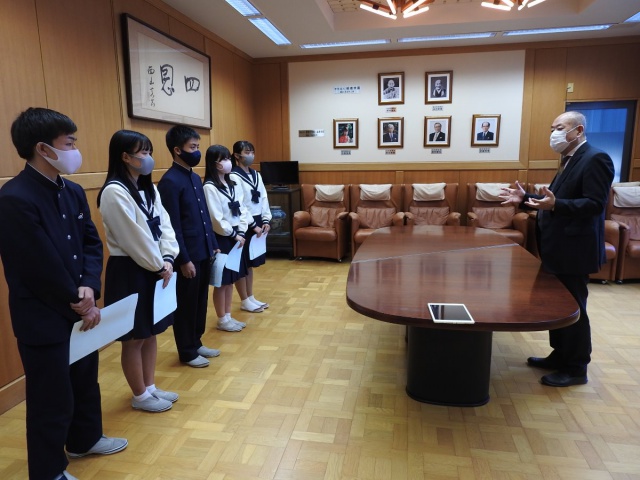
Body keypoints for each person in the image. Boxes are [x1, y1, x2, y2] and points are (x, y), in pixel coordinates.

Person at [0, 107, 127, 480]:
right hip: (43, 314)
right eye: (69, 143)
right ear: (43, 148)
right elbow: (36, 265)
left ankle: (85, 439)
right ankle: (49, 470)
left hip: (79, 305)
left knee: (85, 380)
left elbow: (91, 241)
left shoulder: (71, 190)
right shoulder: (14, 198)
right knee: (50, 396)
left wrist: (90, 285)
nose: (75, 149)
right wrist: (78, 299)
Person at [499, 111, 614, 387]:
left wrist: (556, 205)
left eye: (560, 128)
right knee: (558, 305)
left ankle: (576, 368)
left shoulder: (595, 158)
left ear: (578, 130)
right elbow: (554, 200)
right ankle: (560, 354)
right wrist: (525, 198)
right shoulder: (569, 159)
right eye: (552, 128)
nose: (554, 133)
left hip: (575, 250)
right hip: (557, 248)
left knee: (574, 308)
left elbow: (595, 204)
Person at [97, 130, 180, 412]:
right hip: (131, 270)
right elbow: (134, 238)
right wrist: (159, 264)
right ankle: (139, 395)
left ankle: (151, 386)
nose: (148, 158)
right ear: (125, 156)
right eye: (143, 152)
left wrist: (168, 257)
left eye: (149, 151)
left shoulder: (148, 187)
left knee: (150, 332)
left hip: (156, 266)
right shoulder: (114, 191)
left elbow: (165, 224)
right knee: (133, 338)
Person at [158, 125, 221, 368]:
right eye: (192, 147)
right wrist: (183, 259)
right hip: (187, 256)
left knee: (200, 301)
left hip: (203, 250)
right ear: (177, 150)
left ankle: (196, 341)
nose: (197, 151)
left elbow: (204, 216)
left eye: (197, 146)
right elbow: (172, 226)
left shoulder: (194, 177)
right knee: (186, 304)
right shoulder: (169, 181)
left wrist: (213, 244)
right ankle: (186, 350)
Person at [203, 145, 249, 332]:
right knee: (221, 282)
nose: (228, 162)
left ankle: (228, 316)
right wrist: (233, 234)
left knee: (231, 279)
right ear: (214, 163)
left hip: (238, 237)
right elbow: (216, 219)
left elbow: (243, 209)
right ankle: (221, 318)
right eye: (223, 159)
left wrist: (242, 231)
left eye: (228, 158)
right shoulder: (209, 187)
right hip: (223, 238)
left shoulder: (233, 183)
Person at [230, 140, 272, 313]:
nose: (250, 155)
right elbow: (240, 204)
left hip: (258, 220)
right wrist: (253, 225)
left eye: (252, 152)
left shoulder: (256, 174)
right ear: (237, 155)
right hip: (243, 222)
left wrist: (266, 219)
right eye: (247, 152)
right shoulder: (233, 175)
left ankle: (251, 296)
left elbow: (264, 197)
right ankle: (244, 299)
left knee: (250, 262)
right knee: (242, 263)